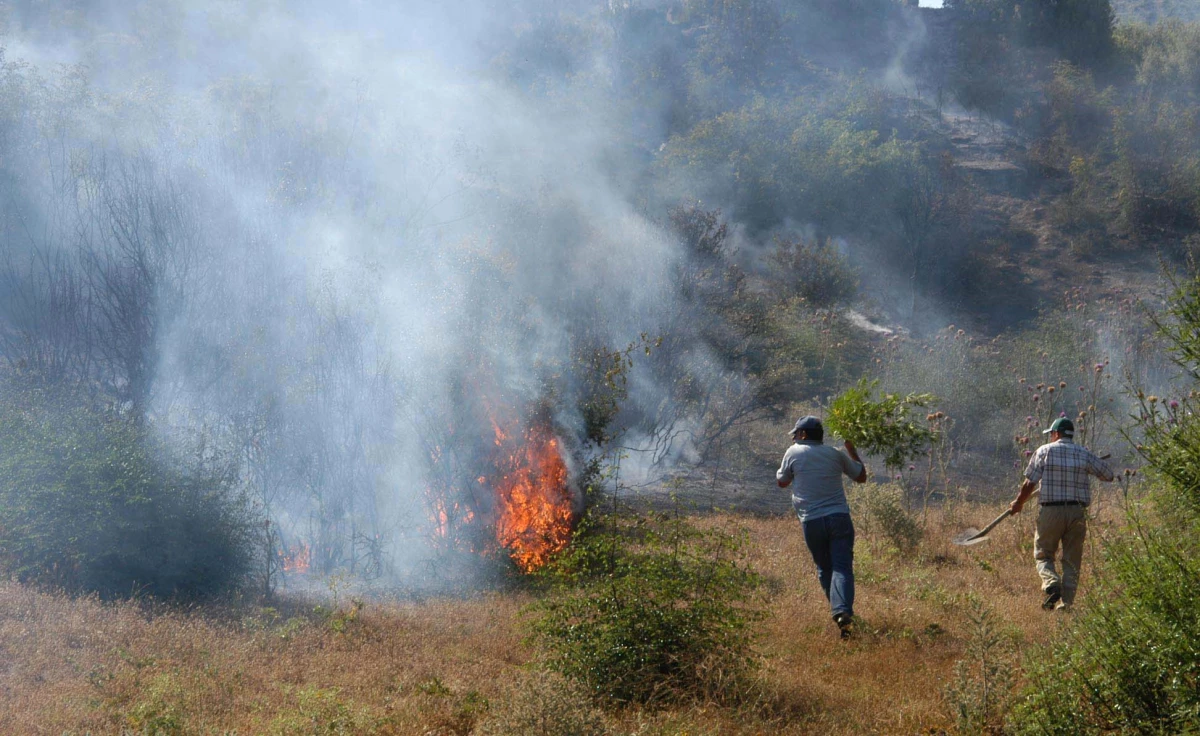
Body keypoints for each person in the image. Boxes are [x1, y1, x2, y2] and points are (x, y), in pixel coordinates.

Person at [1009, 417, 1114, 611]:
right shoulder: (1083, 454)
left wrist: (1018, 503)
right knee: (1072, 560)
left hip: (1051, 511)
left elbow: (1029, 483)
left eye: (1051, 434)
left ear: (1056, 434)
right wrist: (1089, 466)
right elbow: (1108, 475)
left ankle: (1051, 583)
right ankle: (1066, 604)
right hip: (1077, 512)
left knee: (1043, 555)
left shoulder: (1044, 451)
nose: (1050, 437)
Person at [777, 415, 868, 638]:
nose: (794, 438)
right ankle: (842, 612)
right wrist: (851, 449)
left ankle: (841, 615)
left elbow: (782, 481)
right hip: (839, 519)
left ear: (804, 434)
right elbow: (861, 477)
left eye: (796, 434)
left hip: (812, 521)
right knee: (842, 568)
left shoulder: (793, 452)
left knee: (825, 569)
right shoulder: (835, 454)